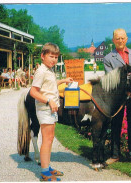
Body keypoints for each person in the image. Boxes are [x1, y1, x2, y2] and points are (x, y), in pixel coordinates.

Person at [30, 43, 73, 181]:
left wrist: (64, 80)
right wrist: (49, 101)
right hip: (45, 109)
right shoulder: (41, 71)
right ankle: (44, 172)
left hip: (51, 109)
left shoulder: (49, 70)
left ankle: (47, 167)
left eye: (56, 57)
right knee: (46, 140)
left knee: (49, 139)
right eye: (51, 56)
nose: (54, 60)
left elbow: (50, 84)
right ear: (43, 56)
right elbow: (33, 92)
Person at [103, 28, 131, 167]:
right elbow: (112, 78)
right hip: (118, 97)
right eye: (117, 38)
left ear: (126, 39)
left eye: (122, 38)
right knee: (115, 125)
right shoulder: (108, 58)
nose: (120, 41)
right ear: (113, 40)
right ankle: (115, 155)